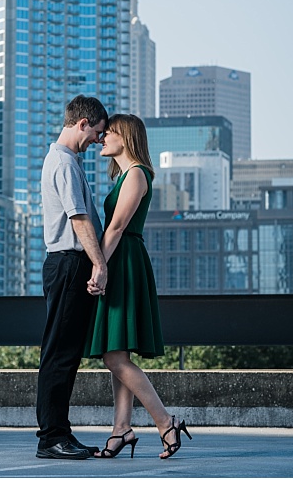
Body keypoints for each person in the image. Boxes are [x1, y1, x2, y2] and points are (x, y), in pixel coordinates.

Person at [85, 113, 193, 459]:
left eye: (109, 133)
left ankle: (165, 421)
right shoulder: (128, 176)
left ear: (125, 137)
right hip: (121, 260)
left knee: (114, 356)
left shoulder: (136, 175)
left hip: (123, 261)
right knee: (117, 351)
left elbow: (116, 228)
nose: (102, 139)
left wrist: (98, 267)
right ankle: (121, 430)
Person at [35, 94, 109, 460]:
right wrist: (100, 264)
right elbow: (78, 219)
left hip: (67, 263)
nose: (98, 140)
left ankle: (59, 433)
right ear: (82, 123)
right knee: (60, 354)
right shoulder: (63, 162)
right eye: (96, 132)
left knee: (66, 353)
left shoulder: (67, 161)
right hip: (68, 263)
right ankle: (51, 438)